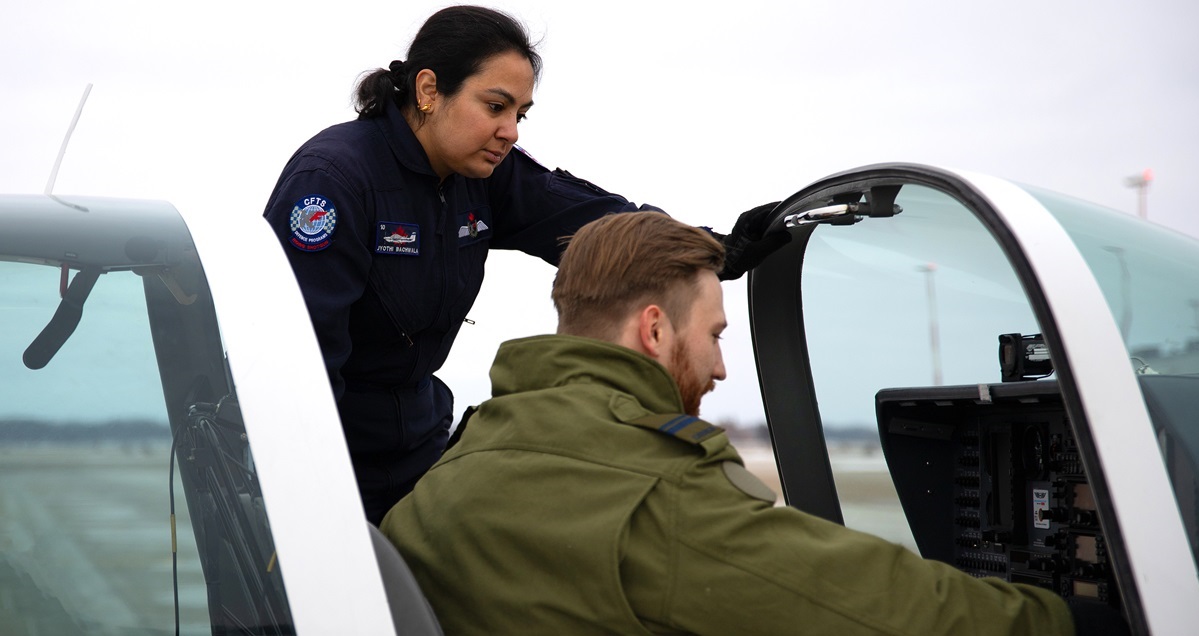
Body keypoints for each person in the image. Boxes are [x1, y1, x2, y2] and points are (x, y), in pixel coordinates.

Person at [380, 211, 1129, 635]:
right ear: (652, 330)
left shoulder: (457, 464)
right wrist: (1061, 621)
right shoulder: (650, 490)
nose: (720, 369)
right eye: (713, 335)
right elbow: (875, 608)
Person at [261, 5, 784, 524]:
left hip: (416, 449)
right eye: (495, 106)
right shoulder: (333, 181)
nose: (511, 131)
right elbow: (299, 366)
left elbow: (596, 224)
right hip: (323, 463)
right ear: (427, 91)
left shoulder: (485, 176)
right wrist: (312, 504)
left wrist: (713, 249)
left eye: (520, 114)